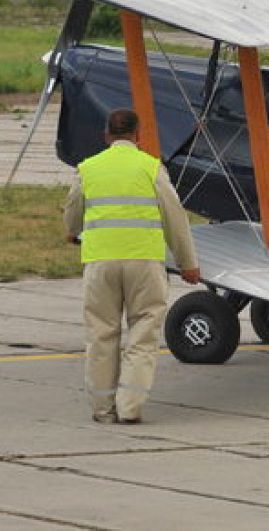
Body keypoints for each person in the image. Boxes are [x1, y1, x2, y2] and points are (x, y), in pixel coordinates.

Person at [64, 107, 201, 425]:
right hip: (144, 262)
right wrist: (188, 264)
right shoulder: (151, 167)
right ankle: (130, 407)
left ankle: (102, 408)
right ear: (138, 136)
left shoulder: (88, 168)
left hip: (101, 263)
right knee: (142, 336)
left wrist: (73, 232)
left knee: (101, 335)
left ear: (107, 135)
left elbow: (73, 209)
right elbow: (175, 217)